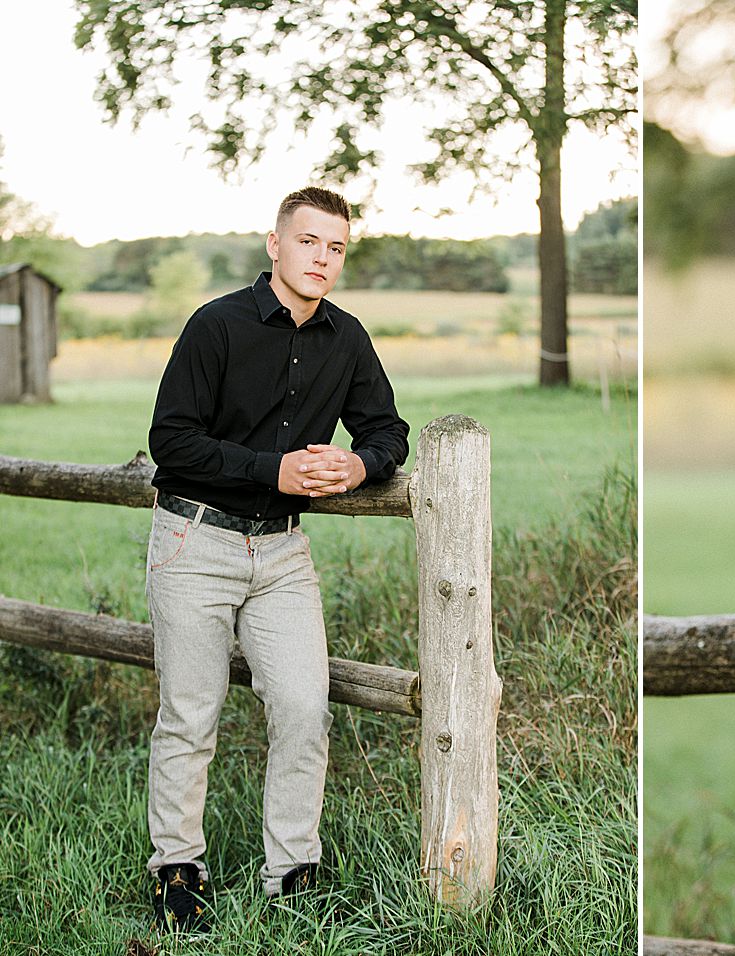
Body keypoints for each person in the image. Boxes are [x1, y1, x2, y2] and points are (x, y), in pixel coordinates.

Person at [144, 186, 409, 931]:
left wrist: (361, 467)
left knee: (302, 707)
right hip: (195, 542)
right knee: (191, 715)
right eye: (309, 242)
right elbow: (173, 441)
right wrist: (275, 469)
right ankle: (177, 869)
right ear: (275, 243)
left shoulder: (347, 339)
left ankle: (292, 872)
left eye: (336, 248)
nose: (322, 258)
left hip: (284, 552)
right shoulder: (215, 326)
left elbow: (389, 429)